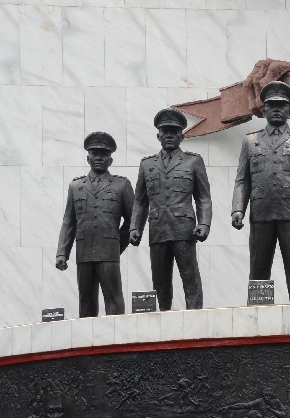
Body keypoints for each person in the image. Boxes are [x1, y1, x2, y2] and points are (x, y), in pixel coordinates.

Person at [232, 81, 290, 304]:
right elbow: (242, 180)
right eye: (271, 105)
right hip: (261, 212)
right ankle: (257, 314)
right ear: (263, 110)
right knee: (259, 268)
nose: (276, 109)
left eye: (281, 106)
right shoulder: (250, 141)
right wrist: (237, 209)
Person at [130, 107, 212, 310]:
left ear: (181, 136)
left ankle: (194, 317)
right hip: (158, 229)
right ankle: (164, 319)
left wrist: (204, 223)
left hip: (184, 228)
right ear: (158, 135)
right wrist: (134, 228)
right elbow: (140, 201)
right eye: (165, 131)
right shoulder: (146, 165)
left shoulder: (193, 161)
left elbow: (203, 197)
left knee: (190, 276)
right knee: (160, 280)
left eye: (174, 132)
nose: (169, 136)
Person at [56, 131, 134, 317]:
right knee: (86, 301)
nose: (99, 158)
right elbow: (69, 222)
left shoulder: (121, 185)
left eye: (104, 154)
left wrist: (116, 244)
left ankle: (115, 341)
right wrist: (62, 252)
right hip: (84, 252)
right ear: (88, 157)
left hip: (108, 251)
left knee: (113, 298)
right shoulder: (76, 186)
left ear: (110, 160)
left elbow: (133, 220)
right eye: (95, 154)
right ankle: (87, 341)